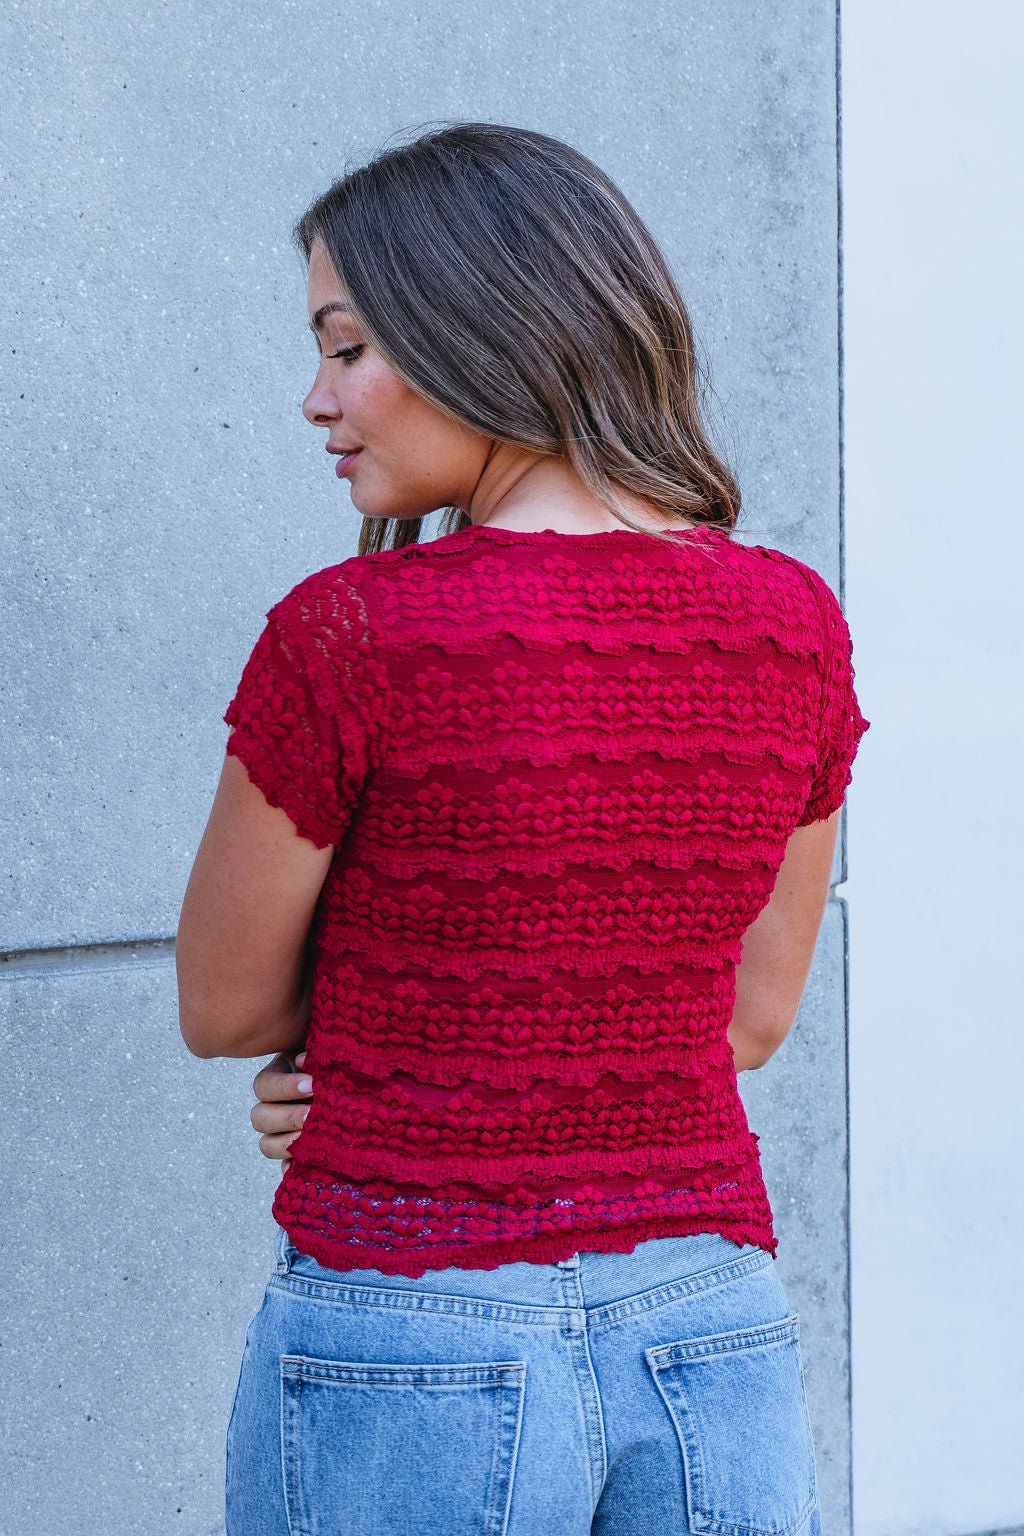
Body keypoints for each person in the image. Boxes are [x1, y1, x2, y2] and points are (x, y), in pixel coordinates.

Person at [176, 121, 868, 1536]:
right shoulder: (793, 624)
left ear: (479, 326)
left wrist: (390, 1053)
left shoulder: (354, 632)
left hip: (415, 1336)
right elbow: (748, 1015)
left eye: (348, 343)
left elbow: (225, 1003)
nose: (317, 398)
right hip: (711, 1325)